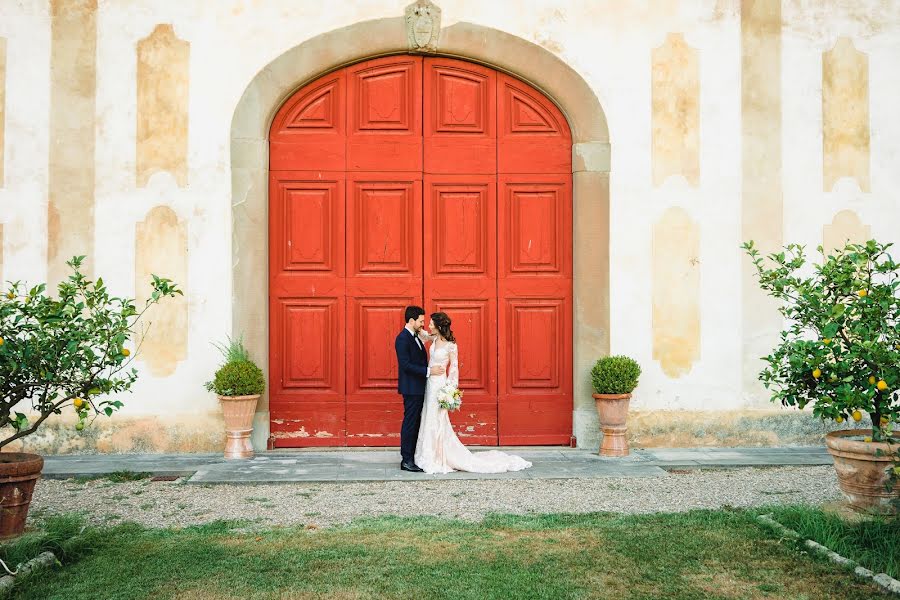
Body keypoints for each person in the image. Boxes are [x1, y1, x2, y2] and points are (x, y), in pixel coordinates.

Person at [414, 311, 532, 474]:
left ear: (439, 326)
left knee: (438, 420)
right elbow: (424, 335)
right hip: (430, 384)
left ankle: (439, 456)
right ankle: (427, 454)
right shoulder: (433, 339)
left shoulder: (451, 345)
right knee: (428, 417)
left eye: (431, 323)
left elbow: (454, 370)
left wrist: (449, 392)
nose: (428, 325)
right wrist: (415, 326)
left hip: (440, 385)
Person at [394, 306, 445, 472]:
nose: (423, 324)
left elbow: (430, 337)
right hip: (411, 388)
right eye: (421, 321)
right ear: (411, 321)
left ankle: (413, 456)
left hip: (418, 388)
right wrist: (430, 372)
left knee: (416, 422)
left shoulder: (416, 335)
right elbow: (406, 365)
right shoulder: (402, 339)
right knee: (410, 423)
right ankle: (406, 460)